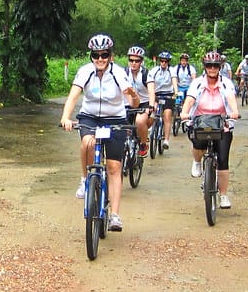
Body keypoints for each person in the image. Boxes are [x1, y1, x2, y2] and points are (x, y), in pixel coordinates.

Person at [60, 34, 140, 232]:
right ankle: (85, 179)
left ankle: (115, 215)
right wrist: (65, 117)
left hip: (115, 120)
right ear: (91, 56)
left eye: (104, 55)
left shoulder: (118, 73)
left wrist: (134, 97)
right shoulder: (85, 72)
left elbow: (132, 102)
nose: (100, 59)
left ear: (110, 55)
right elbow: (73, 96)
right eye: (96, 55)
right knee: (87, 142)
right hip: (90, 117)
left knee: (114, 167)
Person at [180, 50, 241, 209]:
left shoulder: (226, 83)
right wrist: (185, 113)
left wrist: (234, 111)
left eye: (215, 65)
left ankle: (223, 195)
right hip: (201, 122)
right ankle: (197, 162)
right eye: (209, 65)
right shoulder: (197, 83)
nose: (212, 68)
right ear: (205, 66)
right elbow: (190, 99)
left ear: (220, 67)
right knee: (197, 143)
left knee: (223, 160)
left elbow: (230, 98)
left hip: (222, 123)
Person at [123, 45, 155, 157]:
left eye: (137, 61)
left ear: (141, 61)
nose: (133, 63)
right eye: (131, 60)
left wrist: (151, 105)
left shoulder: (146, 73)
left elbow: (151, 91)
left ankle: (143, 144)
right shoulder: (123, 73)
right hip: (128, 102)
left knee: (140, 122)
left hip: (144, 102)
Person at [148, 50, 178, 149]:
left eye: (166, 61)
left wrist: (176, 92)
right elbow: (150, 83)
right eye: (162, 61)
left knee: (167, 115)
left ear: (168, 62)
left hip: (168, 95)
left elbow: (174, 81)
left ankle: (166, 140)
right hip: (157, 94)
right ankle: (152, 127)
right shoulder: (154, 70)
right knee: (153, 109)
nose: (163, 63)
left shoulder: (171, 70)